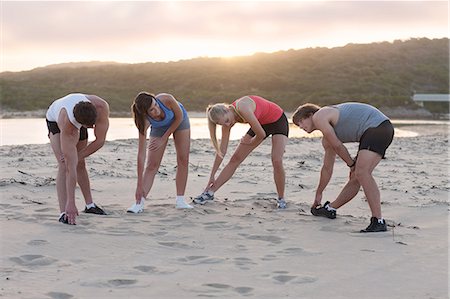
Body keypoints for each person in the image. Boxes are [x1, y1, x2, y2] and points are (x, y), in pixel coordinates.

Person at [292, 102, 394, 232]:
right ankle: (330, 209)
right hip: (373, 132)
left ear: (310, 115)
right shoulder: (327, 137)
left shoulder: (320, 116)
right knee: (356, 177)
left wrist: (352, 164)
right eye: (298, 125)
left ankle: (378, 221)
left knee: (362, 173)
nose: (301, 127)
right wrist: (319, 193)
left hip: (378, 127)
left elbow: (338, 146)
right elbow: (327, 168)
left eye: (301, 121)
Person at [194, 95, 289, 208]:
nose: (227, 125)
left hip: (278, 120)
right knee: (235, 159)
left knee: (276, 160)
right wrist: (212, 175)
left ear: (228, 108)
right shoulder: (226, 122)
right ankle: (209, 193)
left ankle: (281, 199)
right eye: (223, 124)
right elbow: (222, 150)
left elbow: (261, 135)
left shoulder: (243, 107)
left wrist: (250, 142)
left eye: (227, 121)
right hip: (260, 123)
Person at [46, 93, 110, 225]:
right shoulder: (68, 126)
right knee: (64, 164)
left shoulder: (101, 106)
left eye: (93, 124)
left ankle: (90, 205)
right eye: (89, 127)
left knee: (80, 163)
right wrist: (71, 203)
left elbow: (100, 141)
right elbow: (70, 168)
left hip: (79, 115)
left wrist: (78, 156)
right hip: (55, 119)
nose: (93, 128)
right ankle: (64, 212)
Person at [127, 92, 193, 213]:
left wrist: (164, 138)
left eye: (156, 105)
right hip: (159, 128)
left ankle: (180, 200)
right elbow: (141, 154)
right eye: (152, 110)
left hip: (179, 121)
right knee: (152, 165)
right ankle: (139, 203)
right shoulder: (143, 121)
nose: (157, 110)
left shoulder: (167, 99)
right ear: (145, 113)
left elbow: (178, 118)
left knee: (183, 160)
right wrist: (139, 184)